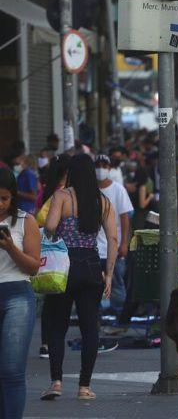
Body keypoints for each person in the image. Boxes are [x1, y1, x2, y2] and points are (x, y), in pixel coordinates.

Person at [41, 153, 117, 401]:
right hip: (92, 266)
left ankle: (56, 381)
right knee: (89, 328)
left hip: (63, 267)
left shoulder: (62, 196)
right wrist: (109, 275)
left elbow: (50, 226)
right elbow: (113, 240)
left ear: (71, 172)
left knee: (57, 325)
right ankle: (85, 386)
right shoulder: (103, 201)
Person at [0, 168, 41, 418]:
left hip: (17, 295)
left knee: (12, 371)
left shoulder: (26, 221)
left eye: (4, 198)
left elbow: (33, 267)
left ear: (12, 197)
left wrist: (10, 248)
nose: (0, 204)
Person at [36, 154, 71, 359]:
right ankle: (55, 340)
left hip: (44, 247)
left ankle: (46, 343)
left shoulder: (45, 192)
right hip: (61, 248)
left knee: (49, 298)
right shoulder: (64, 194)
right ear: (67, 173)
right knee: (62, 296)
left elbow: (37, 216)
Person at [95, 155, 133, 315]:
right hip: (95, 248)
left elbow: (125, 217)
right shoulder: (89, 189)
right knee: (96, 285)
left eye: (104, 165)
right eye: (97, 165)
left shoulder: (118, 189)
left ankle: (119, 315)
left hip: (114, 247)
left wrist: (124, 243)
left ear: (110, 168)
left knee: (117, 283)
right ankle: (97, 315)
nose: (100, 169)